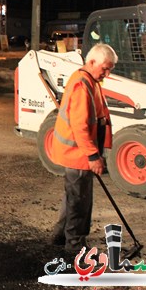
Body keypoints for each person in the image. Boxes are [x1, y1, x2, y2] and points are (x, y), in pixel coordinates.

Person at [51, 43, 117, 252]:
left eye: (110, 69)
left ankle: (60, 235)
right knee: (80, 200)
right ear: (91, 62)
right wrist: (93, 156)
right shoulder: (83, 85)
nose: (107, 73)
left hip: (77, 152)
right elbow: (80, 126)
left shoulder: (89, 79)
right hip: (78, 153)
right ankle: (75, 244)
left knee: (73, 196)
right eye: (105, 68)